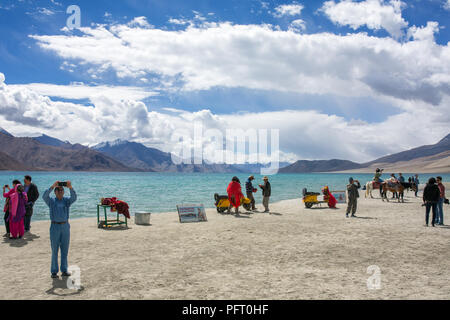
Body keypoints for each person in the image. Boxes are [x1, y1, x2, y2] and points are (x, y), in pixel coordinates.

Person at [43, 181, 77, 278]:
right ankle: (54, 271)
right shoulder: (51, 201)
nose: (61, 192)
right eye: (59, 190)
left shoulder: (66, 200)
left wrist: (70, 187)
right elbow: (44, 196)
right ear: (55, 192)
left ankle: (64, 270)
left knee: (65, 250)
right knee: (54, 250)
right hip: (55, 227)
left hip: (65, 226)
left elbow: (74, 198)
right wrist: (52, 186)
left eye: (62, 190)